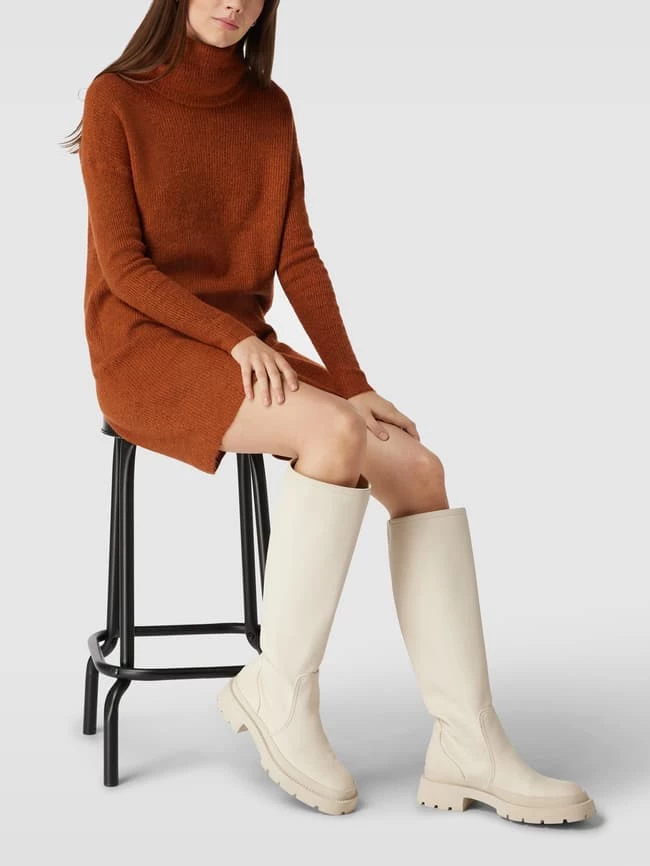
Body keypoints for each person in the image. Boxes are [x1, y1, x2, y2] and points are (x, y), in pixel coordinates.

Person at [68, 0, 596, 823]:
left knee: (418, 468)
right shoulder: (117, 97)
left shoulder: (268, 109)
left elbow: (298, 257)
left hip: (242, 349)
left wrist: (352, 381)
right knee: (336, 435)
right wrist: (234, 341)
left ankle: (469, 743)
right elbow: (125, 267)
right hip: (143, 351)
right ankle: (280, 692)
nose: (233, 2)